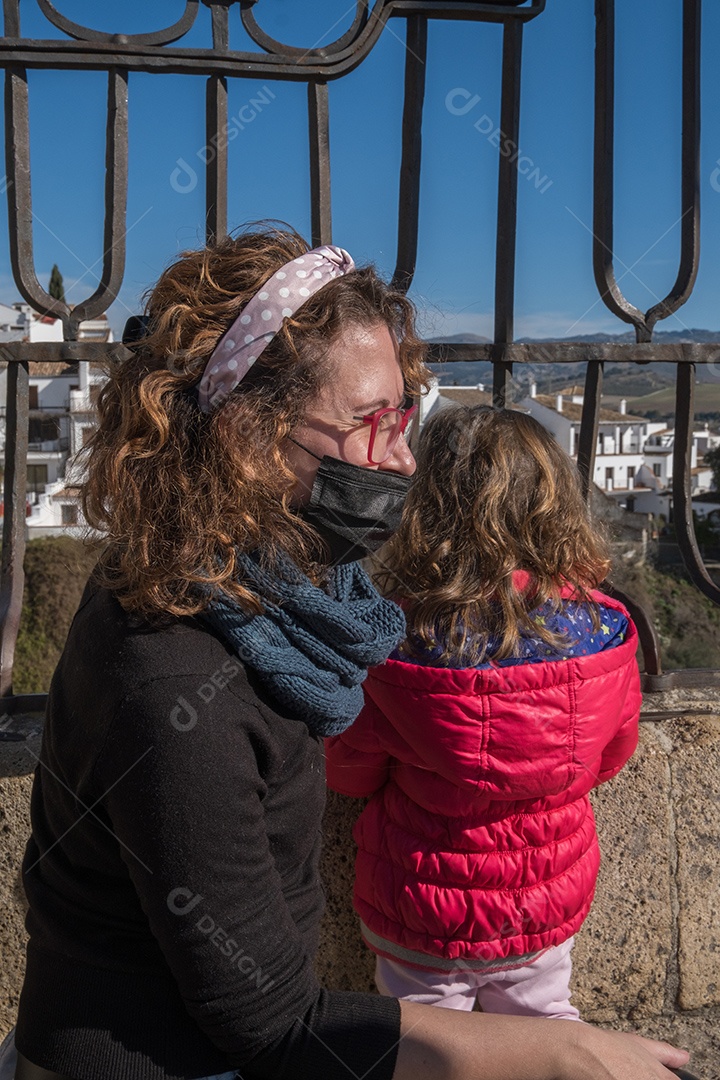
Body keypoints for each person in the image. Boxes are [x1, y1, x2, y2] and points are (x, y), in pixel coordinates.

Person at [8, 226, 689, 1080]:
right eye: (372, 422)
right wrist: (560, 1052)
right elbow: (273, 1023)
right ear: (251, 438)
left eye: (405, 414)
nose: (403, 457)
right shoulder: (177, 678)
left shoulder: (247, 587)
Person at [326, 405, 641, 1020]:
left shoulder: (397, 635)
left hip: (423, 904)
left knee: (425, 1044)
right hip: (544, 901)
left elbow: (350, 771)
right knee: (547, 1025)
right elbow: (609, 756)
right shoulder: (600, 629)